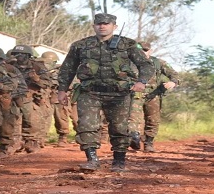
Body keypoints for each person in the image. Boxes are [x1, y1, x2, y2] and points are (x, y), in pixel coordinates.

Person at [57, 13, 155, 172]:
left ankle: (119, 161)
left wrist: (141, 81)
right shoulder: (80, 45)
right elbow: (67, 69)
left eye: (106, 24)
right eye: (99, 24)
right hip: (90, 92)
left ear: (114, 26)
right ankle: (92, 160)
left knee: (119, 128)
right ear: (93, 26)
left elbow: (146, 65)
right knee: (86, 125)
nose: (102, 26)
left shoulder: (128, 44)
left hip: (119, 93)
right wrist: (62, 90)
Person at [128, 42, 179, 152]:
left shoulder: (158, 62)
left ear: (150, 51)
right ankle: (134, 137)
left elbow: (173, 74)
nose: (143, 52)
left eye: (145, 50)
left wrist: (173, 82)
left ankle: (149, 143)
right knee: (133, 118)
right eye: (141, 50)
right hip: (135, 94)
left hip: (153, 94)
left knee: (153, 120)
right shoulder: (129, 62)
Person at [10, 45, 53, 153]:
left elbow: (47, 83)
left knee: (31, 119)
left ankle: (31, 141)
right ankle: (15, 142)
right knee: (13, 119)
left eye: (22, 54)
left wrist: (36, 79)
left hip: (32, 96)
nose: (18, 56)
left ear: (28, 55)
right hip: (14, 95)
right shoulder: (10, 66)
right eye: (16, 54)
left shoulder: (37, 67)